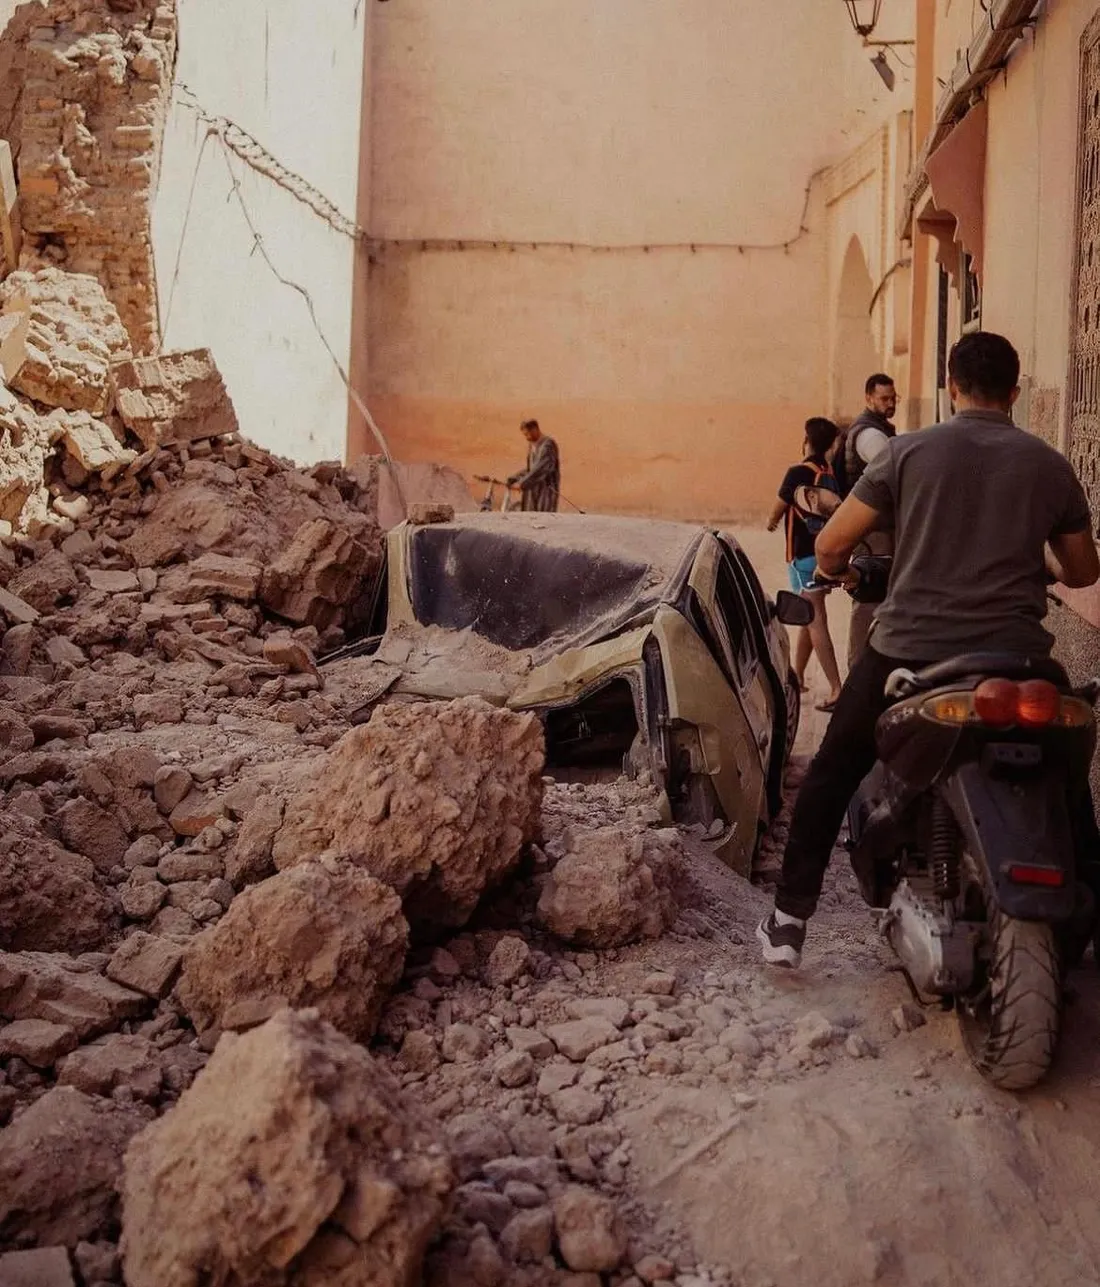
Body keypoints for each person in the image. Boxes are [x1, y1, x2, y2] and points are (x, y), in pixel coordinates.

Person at [757, 331, 1100, 969]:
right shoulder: (1049, 464)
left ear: (950, 386)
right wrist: (1040, 559)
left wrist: (846, 568)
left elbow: (830, 546)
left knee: (831, 773)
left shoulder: (908, 453)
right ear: (1015, 393)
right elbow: (1082, 572)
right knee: (1068, 783)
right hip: (1019, 655)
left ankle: (788, 921)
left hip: (910, 653)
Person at [767, 417, 843, 711]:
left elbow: (777, 509)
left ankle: (837, 687)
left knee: (815, 619)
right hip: (823, 554)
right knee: (808, 614)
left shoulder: (797, 472)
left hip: (802, 556)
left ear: (807, 441)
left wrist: (771, 523)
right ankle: (797, 675)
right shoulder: (828, 473)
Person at [836, 374, 898, 668]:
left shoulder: (877, 430)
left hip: (873, 528)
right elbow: (893, 476)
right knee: (866, 598)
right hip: (872, 531)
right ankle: (858, 673)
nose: (890, 404)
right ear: (869, 398)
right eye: (884, 398)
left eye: (892, 398)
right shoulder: (871, 435)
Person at [507, 419, 560, 512]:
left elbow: (541, 468)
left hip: (546, 491)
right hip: (532, 490)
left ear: (535, 429)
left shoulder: (548, 445)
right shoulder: (532, 446)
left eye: (527, 434)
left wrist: (522, 483)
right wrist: (515, 477)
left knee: (543, 518)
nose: (526, 438)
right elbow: (530, 469)